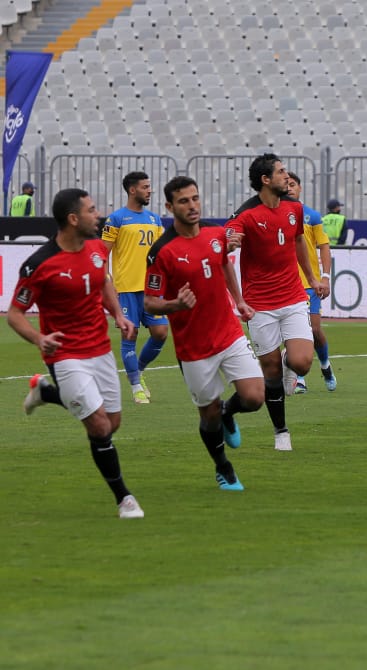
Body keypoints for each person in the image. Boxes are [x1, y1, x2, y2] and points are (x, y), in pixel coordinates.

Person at [8, 188, 144, 519]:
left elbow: (103, 282)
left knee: (112, 424)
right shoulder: (39, 264)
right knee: (98, 427)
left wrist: (119, 315)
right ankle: (124, 498)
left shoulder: (97, 249)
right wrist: (39, 339)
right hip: (65, 355)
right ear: (73, 219)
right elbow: (14, 313)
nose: (98, 215)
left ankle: (46, 393)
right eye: (92, 210)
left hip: (99, 349)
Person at [144, 176, 265, 491]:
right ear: (170, 207)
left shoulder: (216, 234)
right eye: (184, 201)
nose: (192, 205)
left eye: (195, 198)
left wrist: (238, 300)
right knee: (207, 416)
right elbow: (149, 300)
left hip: (229, 333)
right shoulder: (162, 251)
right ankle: (223, 467)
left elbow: (225, 264)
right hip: (194, 348)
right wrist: (173, 304)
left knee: (254, 397)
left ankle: (229, 410)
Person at [225, 153, 329, 452]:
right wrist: (232, 241)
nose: (288, 177)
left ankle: (288, 364)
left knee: (301, 362)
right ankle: (280, 432)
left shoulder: (294, 208)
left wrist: (311, 278)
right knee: (269, 373)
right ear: (265, 180)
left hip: (294, 297)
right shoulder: (245, 215)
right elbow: (230, 239)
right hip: (259, 305)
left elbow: (298, 241)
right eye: (282, 172)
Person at [102, 171, 168, 404]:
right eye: (145, 187)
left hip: (152, 289)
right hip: (127, 288)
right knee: (129, 333)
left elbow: (161, 254)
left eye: (150, 186)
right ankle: (135, 386)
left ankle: (138, 370)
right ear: (132, 190)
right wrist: (108, 283)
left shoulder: (154, 219)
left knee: (160, 333)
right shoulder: (117, 219)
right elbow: (102, 254)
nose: (150, 190)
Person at [286, 172, 338, 394]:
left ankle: (325, 366)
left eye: (293, 184)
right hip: (286, 283)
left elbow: (324, 246)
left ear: (300, 188)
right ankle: (300, 378)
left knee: (315, 330)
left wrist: (325, 277)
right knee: (295, 332)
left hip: (309, 283)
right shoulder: (276, 215)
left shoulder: (312, 216)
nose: (289, 188)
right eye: (285, 184)